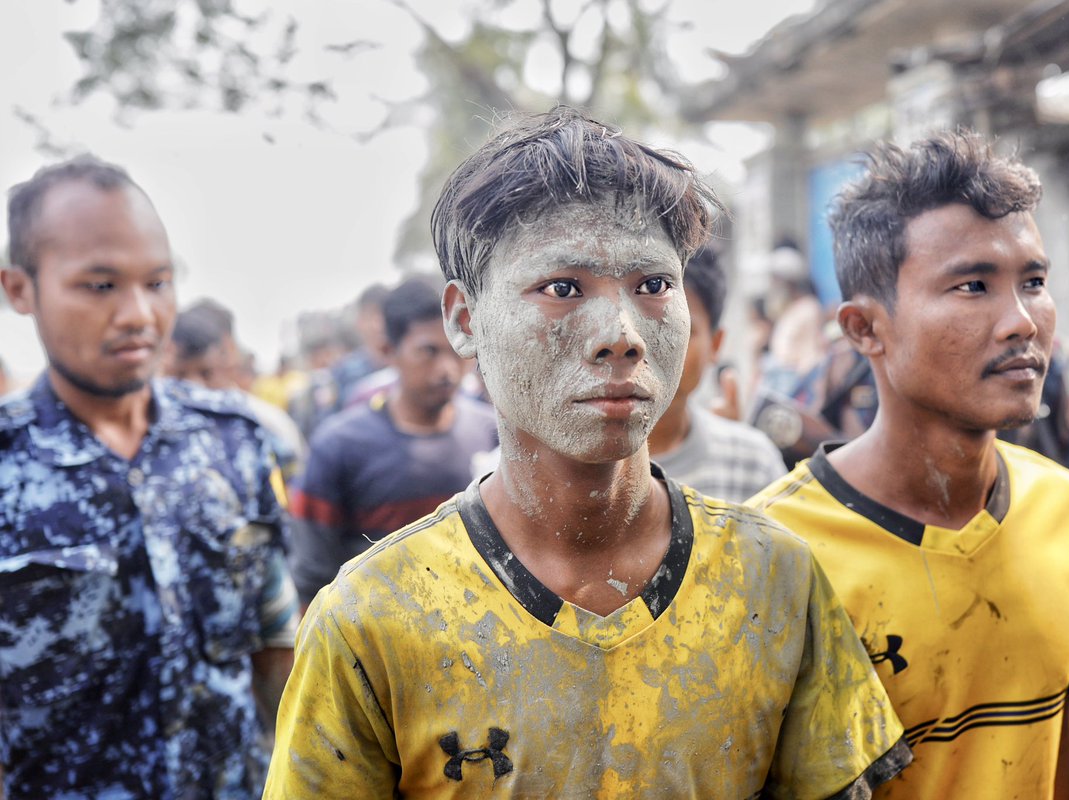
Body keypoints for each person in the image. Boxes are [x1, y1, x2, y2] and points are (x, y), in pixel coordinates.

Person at [264, 106, 910, 798]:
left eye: (654, 285)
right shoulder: (372, 619)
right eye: (563, 288)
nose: (622, 334)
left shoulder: (776, 580)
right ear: (463, 319)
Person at [750, 131, 1069, 799]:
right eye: (973, 285)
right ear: (864, 329)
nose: (1023, 321)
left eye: (1034, 281)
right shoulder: (775, 557)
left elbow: (1054, 741)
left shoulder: (1059, 501)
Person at [0, 156, 299, 799]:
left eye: (158, 282)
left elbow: (275, 643)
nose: (139, 314)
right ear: (20, 290)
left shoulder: (234, 443)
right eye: (100, 286)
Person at [286, 276, 498, 606]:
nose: (447, 370)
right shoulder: (338, 447)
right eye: (428, 351)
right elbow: (313, 579)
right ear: (389, 350)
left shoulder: (493, 434)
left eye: (457, 351)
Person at [646, 244, 787, 502]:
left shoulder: (751, 464)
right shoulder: (566, 467)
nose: (648, 347)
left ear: (715, 344)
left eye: (676, 330)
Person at [165, 299, 308, 484]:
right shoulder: (145, 429)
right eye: (180, 376)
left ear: (227, 352)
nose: (194, 389)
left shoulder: (263, 424)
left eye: (206, 373)